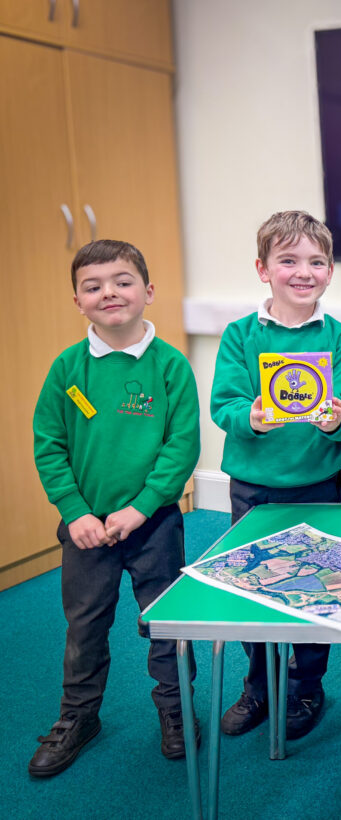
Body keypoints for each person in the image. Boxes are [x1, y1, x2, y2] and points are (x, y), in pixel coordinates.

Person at [29, 239, 200, 776]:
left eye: (123, 281)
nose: (109, 292)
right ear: (77, 300)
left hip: (153, 527)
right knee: (85, 628)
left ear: (147, 291)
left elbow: (182, 447)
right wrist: (75, 511)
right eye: (93, 285)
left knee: (165, 623)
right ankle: (78, 717)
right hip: (84, 531)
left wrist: (143, 507)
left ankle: (177, 712)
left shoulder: (170, 367)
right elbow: (49, 443)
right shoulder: (67, 369)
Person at [211, 211, 341, 741]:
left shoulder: (340, 338)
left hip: (317, 483)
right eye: (288, 260)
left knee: (314, 588)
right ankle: (258, 683)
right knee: (252, 585)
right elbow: (223, 403)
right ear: (262, 269)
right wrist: (250, 415)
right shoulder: (240, 335)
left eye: (316, 261)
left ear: (330, 270)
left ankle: (307, 684)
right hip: (253, 486)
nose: (303, 272)